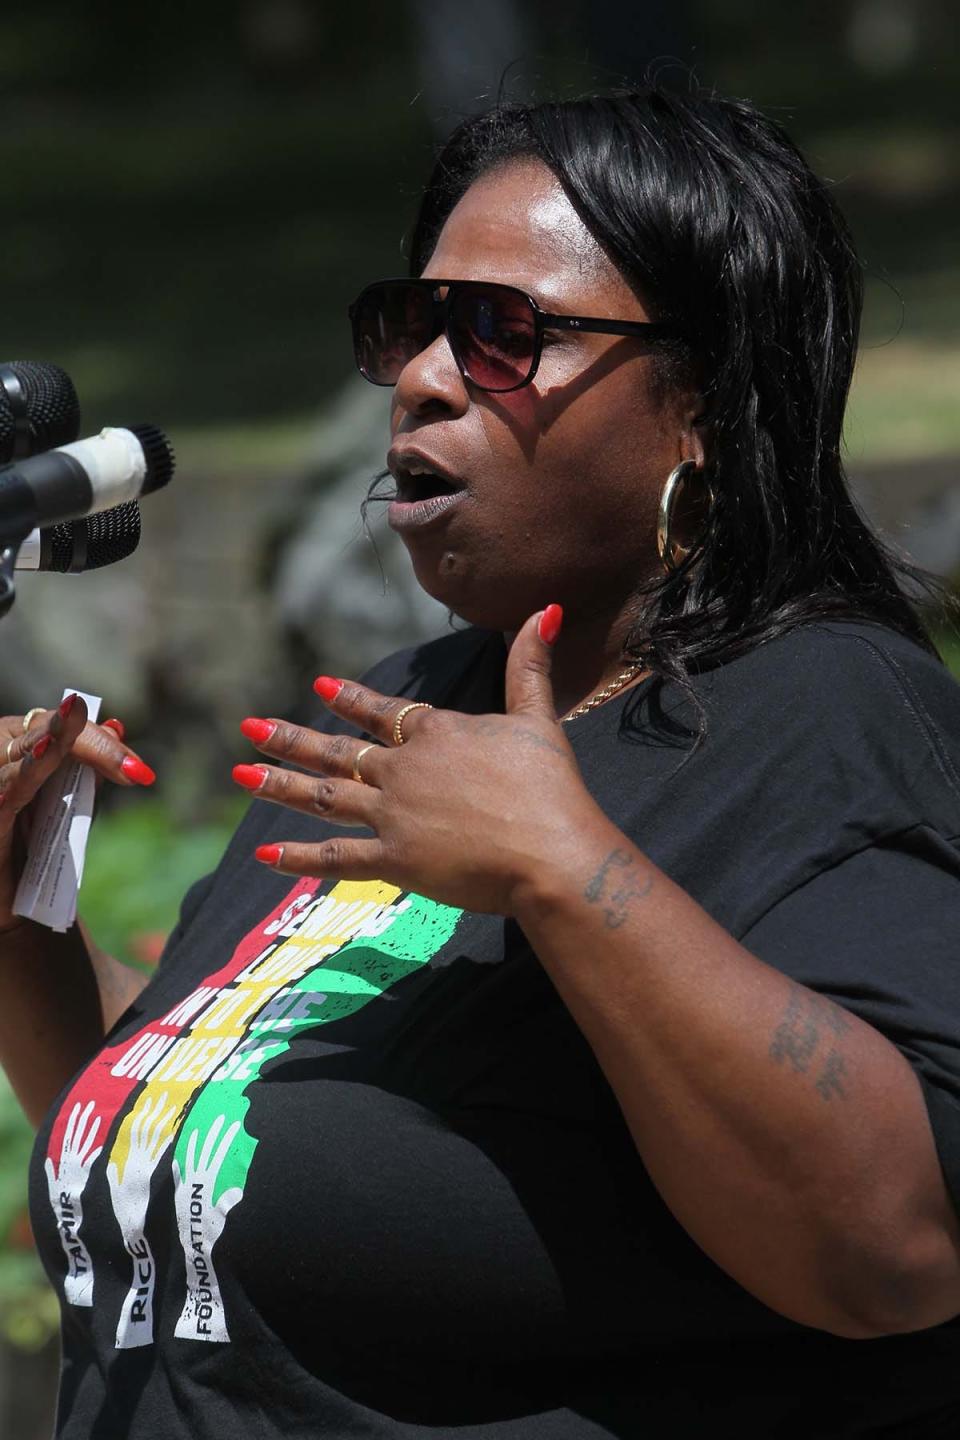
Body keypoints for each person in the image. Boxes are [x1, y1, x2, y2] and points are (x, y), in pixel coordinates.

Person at [2, 84, 960, 1440]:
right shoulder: (401, 712)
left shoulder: (826, 713)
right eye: (415, 327)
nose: (424, 375)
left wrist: (573, 876)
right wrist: (15, 921)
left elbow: (896, 1248)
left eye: (503, 333)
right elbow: (205, 1146)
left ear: (704, 406)